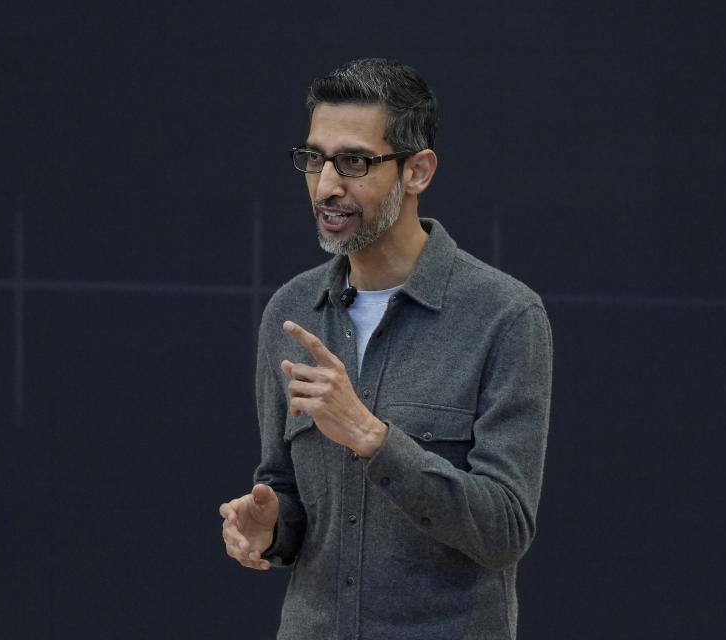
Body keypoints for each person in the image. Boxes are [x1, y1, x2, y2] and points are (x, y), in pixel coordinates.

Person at [219, 58, 553, 640]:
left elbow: (504, 529)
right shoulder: (291, 313)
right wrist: (269, 527)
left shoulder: (505, 316)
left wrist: (376, 441)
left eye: (353, 162)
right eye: (314, 159)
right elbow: (286, 493)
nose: (326, 186)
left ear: (417, 171)